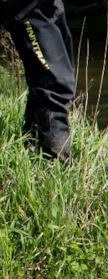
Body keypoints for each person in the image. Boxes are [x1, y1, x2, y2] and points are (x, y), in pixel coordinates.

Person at [1, 0, 75, 161]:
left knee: (54, 80)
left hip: (48, 6)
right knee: (55, 85)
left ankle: (31, 153)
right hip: (29, 6)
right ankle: (55, 167)